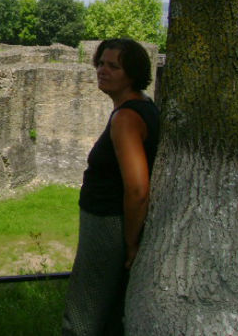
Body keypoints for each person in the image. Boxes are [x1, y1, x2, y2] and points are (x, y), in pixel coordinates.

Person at [62, 38, 160, 336]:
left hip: (108, 223)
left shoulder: (127, 118)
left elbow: (137, 189)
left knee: (84, 310)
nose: (103, 70)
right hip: (109, 222)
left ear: (132, 73)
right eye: (101, 63)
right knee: (109, 307)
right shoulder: (143, 106)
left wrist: (130, 243)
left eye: (113, 66)